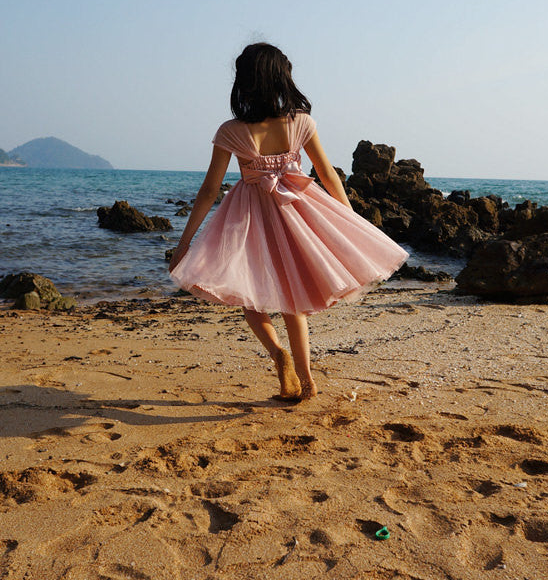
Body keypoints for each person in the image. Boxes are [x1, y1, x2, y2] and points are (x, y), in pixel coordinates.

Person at [169, 43, 408, 401]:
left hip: (247, 217)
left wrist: (185, 244)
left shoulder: (231, 131)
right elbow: (328, 175)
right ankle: (307, 381)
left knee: (251, 300)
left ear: (245, 82)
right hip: (295, 213)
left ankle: (278, 354)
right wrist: (350, 223)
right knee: (293, 299)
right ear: (282, 79)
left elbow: (209, 191)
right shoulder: (300, 123)